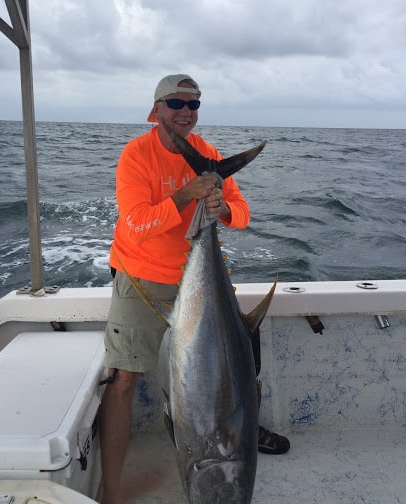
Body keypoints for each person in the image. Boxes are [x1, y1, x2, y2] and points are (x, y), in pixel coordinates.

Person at [99, 74, 288, 504]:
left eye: (193, 105)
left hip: (199, 283)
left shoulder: (208, 155)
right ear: (156, 109)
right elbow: (135, 225)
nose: (185, 112)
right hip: (142, 278)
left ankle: (240, 430)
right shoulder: (136, 155)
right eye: (176, 103)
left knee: (238, 370)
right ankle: (110, 494)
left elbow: (243, 215)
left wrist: (222, 210)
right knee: (123, 379)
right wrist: (187, 193)